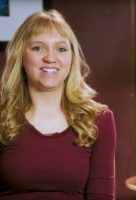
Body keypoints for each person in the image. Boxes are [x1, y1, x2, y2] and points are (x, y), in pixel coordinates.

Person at [0, 9, 116, 200]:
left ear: (71, 58)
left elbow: (101, 195)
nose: (50, 58)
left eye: (61, 49)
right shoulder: (2, 115)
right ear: (21, 56)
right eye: (38, 48)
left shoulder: (99, 119)